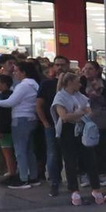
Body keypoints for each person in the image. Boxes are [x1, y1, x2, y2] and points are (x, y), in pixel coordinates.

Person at [52, 71, 106, 206]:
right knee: (70, 161)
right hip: (67, 130)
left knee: (90, 159)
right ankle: (74, 191)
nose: (80, 84)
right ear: (70, 83)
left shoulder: (80, 96)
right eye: (78, 82)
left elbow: (90, 112)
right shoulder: (60, 97)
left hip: (82, 129)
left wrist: (78, 114)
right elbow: (64, 117)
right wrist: (81, 113)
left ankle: (96, 189)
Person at [0, 59, 43, 188]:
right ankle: (33, 176)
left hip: (20, 118)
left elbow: (11, 102)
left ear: (23, 72)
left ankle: (22, 178)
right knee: (29, 150)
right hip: (31, 118)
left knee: (20, 150)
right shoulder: (35, 84)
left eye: (17, 71)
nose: (15, 73)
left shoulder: (23, 85)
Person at [37, 56, 70, 196]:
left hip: (69, 123)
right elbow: (39, 104)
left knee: (69, 154)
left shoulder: (73, 82)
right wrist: (45, 122)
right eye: (57, 65)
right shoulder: (46, 84)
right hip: (52, 124)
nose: (59, 67)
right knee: (53, 154)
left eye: (62, 64)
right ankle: (54, 182)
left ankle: (71, 183)